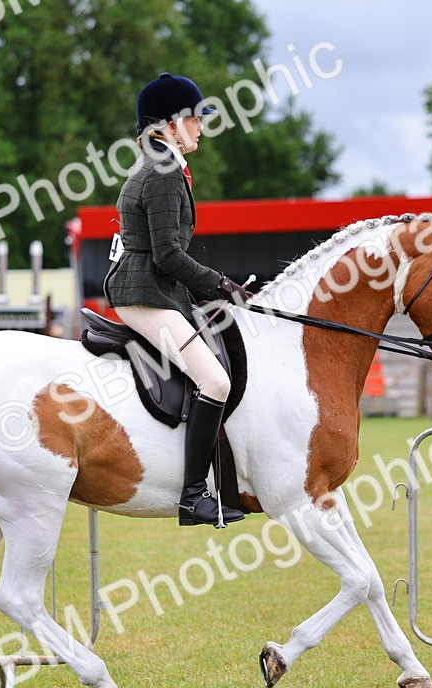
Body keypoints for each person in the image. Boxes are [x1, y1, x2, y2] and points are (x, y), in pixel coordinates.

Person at [104, 72, 252, 527]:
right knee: (216, 383)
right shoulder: (163, 171)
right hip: (144, 293)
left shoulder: (163, 166)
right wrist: (220, 285)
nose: (201, 125)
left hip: (156, 289)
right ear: (168, 124)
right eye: (194, 118)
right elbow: (169, 254)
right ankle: (192, 496)